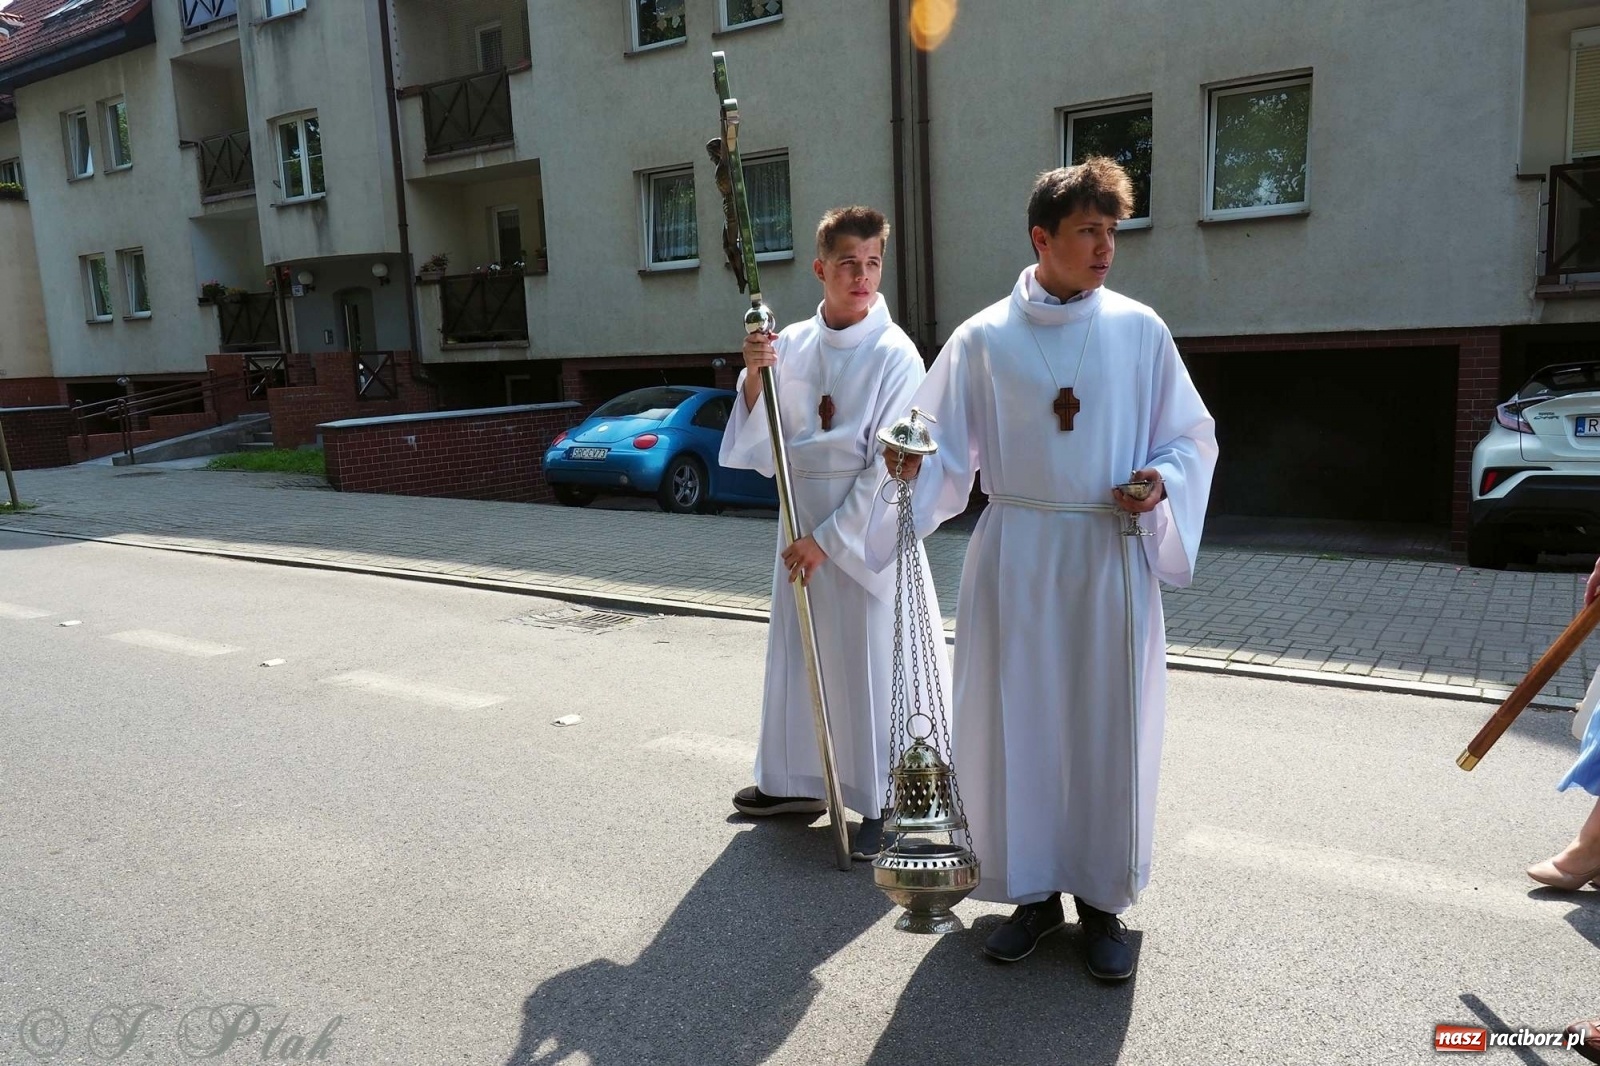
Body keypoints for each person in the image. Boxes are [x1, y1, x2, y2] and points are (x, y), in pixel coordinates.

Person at [873, 158, 1217, 981]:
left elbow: (1189, 437)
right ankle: (1030, 895)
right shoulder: (983, 338)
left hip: (1107, 552)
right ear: (1042, 237)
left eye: (1112, 232)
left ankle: (1101, 903)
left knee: (1104, 727)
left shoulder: (1140, 330)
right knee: (1017, 723)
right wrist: (906, 463)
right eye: (1088, 231)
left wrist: (1160, 481)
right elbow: (933, 441)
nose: (1105, 248)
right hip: (1018, 555)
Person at [720, 205, 949, 861]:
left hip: (863, 532)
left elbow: (893, 464)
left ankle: (883, 799)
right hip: (799, 519)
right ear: (821, 268)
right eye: (849, 263)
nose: (862, 277)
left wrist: (827, 541)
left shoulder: (896, 353)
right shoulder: (790, 343)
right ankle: (797, 782)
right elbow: (764, 436)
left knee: (870, 662)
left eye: (873, 263)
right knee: (801, 655)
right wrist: (755, 373)